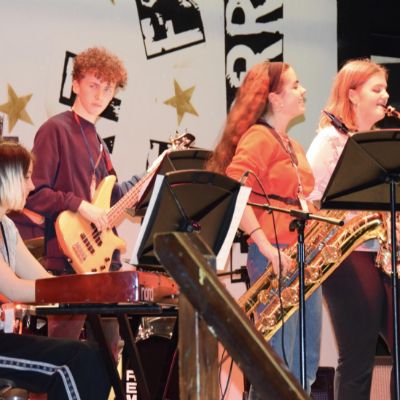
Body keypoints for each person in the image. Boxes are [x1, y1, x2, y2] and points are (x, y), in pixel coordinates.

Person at [206, 61, 322, 394]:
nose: (303, 90)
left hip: (305, 259)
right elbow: (236, 188)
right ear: (274, 98)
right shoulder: (258, 137)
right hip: (275, 257)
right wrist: (266, 247)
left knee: (305, 367)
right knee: (277, 368)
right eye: (295, 85)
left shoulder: (292, 144)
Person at [306, 58, 391, 399]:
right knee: (358, 358)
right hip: (347, 255)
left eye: (386, 89)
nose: (386, 95)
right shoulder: (330, 140)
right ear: (352, 94)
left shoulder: (379, 142)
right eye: (377, 88)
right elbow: (310, 200)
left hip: (383, 254)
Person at [0, 140, 111, 400]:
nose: (32, 185)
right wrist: (86, 289)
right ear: (6, 177)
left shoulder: (6, 227)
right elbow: (14, 288)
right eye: (26, 177)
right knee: (76, 360)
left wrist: (92, 286)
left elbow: (44, 282)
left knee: (95, 356)